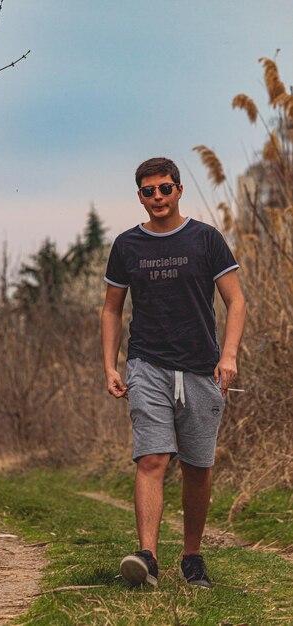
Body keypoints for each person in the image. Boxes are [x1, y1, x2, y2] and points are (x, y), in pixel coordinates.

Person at [101, 157, 246, 588]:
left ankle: (192, 556)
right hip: (147, 364)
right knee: (153, 458)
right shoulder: (127, 246)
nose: (158, 197)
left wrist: (230, 355)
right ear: (140, 196)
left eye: (165, 188)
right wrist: (110, 364)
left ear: (179, 190)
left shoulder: (206, 239)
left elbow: (235, 301)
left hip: (202, 367)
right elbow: (111, 308)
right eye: (149, 191)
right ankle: (147, 557)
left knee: (199, 468)